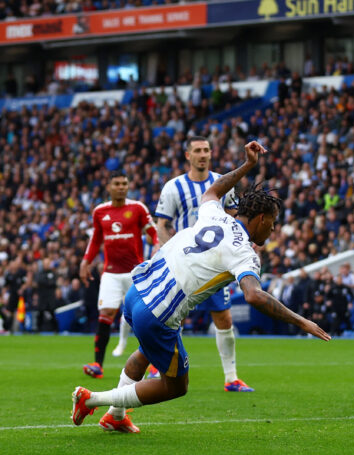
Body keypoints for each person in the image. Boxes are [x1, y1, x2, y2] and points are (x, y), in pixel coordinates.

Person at [71, 142, 331, 433]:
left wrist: (247, 166)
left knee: (147, 351)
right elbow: (254, 295)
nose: (272, 231)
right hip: (158, 312)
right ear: (261, 218)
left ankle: (115, 416)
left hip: (138, 291)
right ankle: (91, 399)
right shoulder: (244, 253)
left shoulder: (215, 213)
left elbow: (213, 190)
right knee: (176, 386)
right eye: (272, 223)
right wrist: (302, 321)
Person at [154, 136, 251, 392]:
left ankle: (231, 378)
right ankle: (159, 366)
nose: (203, 154)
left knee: (224, 317)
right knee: (172, 317)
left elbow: (233, 217)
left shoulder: (222, 183)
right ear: (188, 155)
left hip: (214, 264)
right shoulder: (173, 187)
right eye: (197, 150)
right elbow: (162, 224)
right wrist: (170, 253)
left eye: (206, 150)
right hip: (183, 265)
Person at [80, 171, 158, 379]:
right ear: (109, 186)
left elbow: (153, 232)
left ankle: (155, 363)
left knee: (147, 317)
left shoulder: (137, 208)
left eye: (125, 183)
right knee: (105, 314)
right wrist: (86, 261)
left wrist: (157, 244)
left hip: (136, 273)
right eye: (117, 184)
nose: (122, 187)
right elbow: (96, 240)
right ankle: (98, 364)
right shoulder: (100, 212)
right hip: (111, 273)